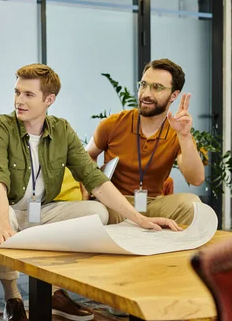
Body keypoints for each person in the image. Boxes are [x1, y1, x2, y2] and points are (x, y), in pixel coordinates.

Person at [0, 63, 181, 321]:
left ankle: (55, 290)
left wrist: (139, 219)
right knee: (5, 215)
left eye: (28, 95)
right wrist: (2, 223)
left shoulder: (61, 130)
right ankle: (12, 297)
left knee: (98, 213)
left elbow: (95, 179)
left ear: (49, 100)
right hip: (7, 208)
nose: (19, 101)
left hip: (42, 211)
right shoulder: (0, 127)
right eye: (17, 92)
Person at [86, 59, 205, 225]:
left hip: (153, 203)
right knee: (106, 214)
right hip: (115, 203)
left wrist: (184, 136)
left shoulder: (177, 132)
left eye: (157, 87)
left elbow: (196, 179)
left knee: (192, 205)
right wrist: (88, 195)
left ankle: (161, 244)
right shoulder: (113, 124)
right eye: (143, 84)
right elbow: (88, 156)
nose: (146, 93)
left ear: (174, 95)